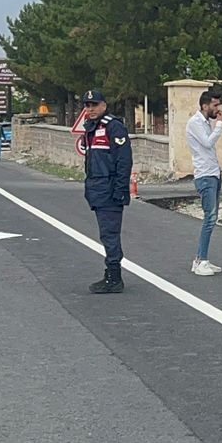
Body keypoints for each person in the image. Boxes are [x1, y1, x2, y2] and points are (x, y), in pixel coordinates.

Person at [76, 90, 133, 294]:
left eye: (94, 104)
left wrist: (120, 190)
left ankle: (114, 276)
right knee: (105, 234)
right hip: (97, 188)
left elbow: (124, 161)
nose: (89, 109)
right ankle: (111, 273)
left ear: (104, 105)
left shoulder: (113, 127)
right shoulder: (91, 129)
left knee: (110, 234)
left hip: (109, 189)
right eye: (87, 105)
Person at [184, 87, 222, 275]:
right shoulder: (195, 123)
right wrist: (220, 125)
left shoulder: (206, 122)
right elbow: (207, 143)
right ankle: (200, 260)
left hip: (214, 173)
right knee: (209, 218)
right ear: (204, 105)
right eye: (215, 105)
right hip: (205, 175)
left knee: (212, 217)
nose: (218, 109)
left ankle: (204, 259)